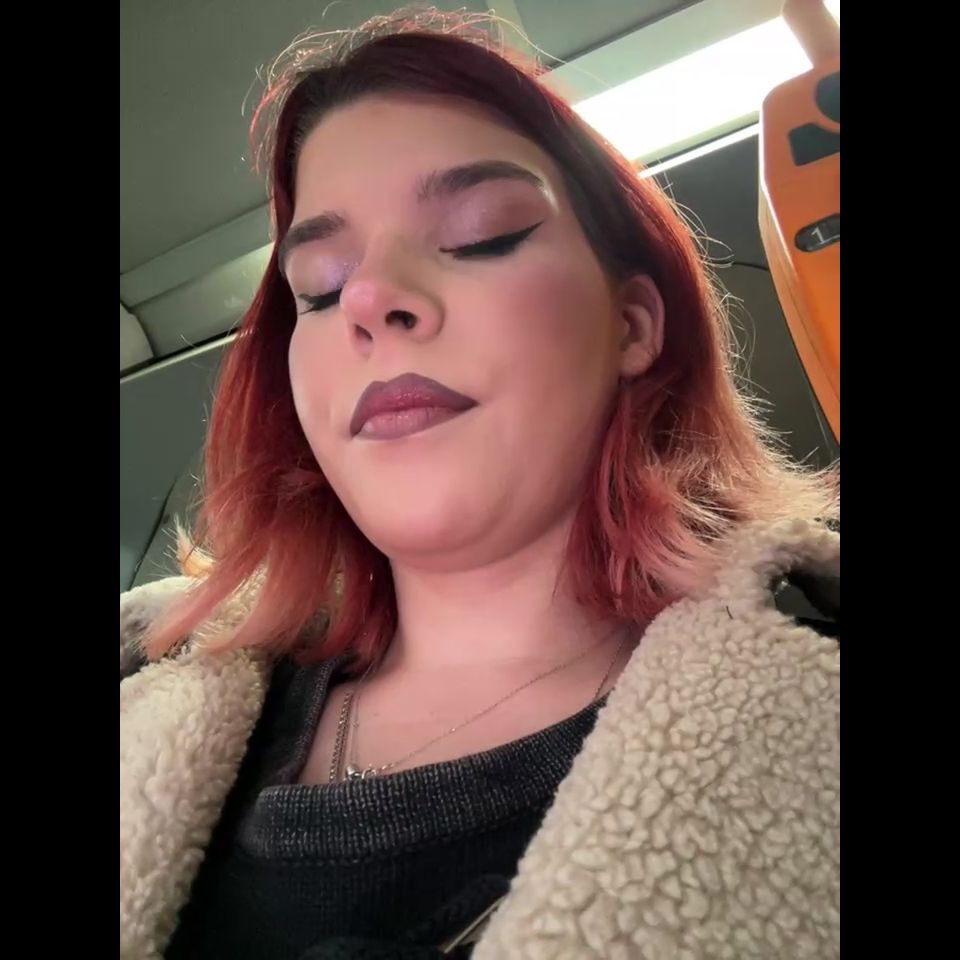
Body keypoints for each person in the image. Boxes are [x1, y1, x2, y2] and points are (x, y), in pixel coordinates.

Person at [119, 8, 840, 959]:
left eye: (482, 234)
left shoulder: (814, 727)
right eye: (320, 287)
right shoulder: (142, 670)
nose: (368, 299)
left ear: (631, 326)